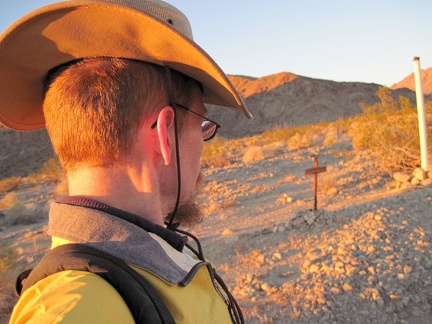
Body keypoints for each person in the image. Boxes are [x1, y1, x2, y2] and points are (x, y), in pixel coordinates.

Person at [0, 0, 252, 323]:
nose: (203, 145)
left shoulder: (133, 263)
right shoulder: (74, 308)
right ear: (163, 135)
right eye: (201, 126)